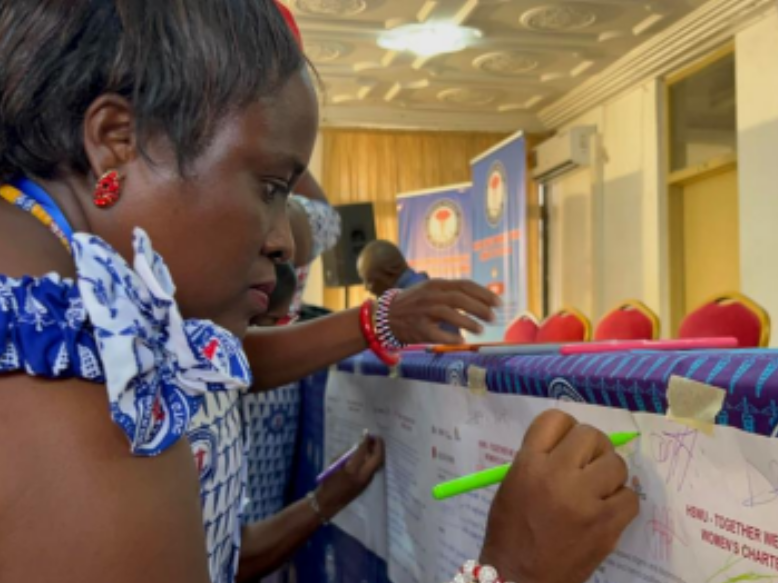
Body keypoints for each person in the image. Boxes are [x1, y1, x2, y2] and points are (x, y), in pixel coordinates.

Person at [0, 3, 638, 583]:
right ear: (118, 141)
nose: (283, 242)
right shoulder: (71, 375)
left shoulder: (66, 301)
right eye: (272, 186)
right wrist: (516, 568)